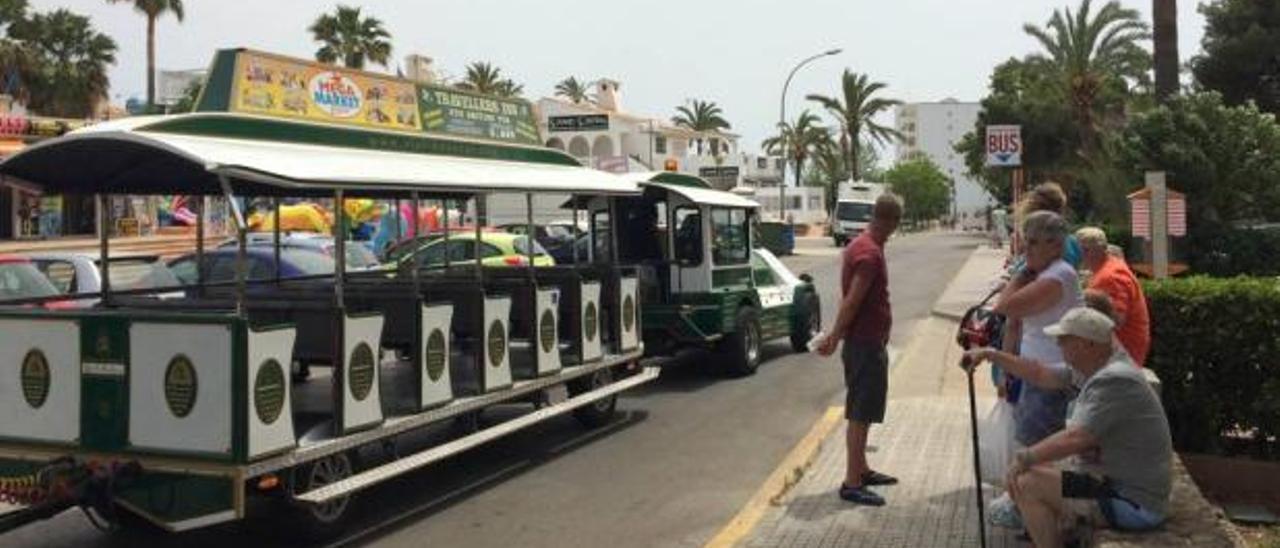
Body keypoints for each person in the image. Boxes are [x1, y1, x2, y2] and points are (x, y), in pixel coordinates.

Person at [986, 307, 1172, 547]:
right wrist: (992, 355)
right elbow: (1039, 373)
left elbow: (1077, 437)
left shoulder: (1114, 379)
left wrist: (1024, 458)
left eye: (1064, 339)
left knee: (1027, 483)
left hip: (1133, 504)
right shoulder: (1096, 368)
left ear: (1086, 344)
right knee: (1034, 473)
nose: (1057, 343)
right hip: (1117, 489)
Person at [988, 210, 1084, 527]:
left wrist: (1019, 273)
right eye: (1024, 243)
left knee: (1035, 448)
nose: (1025, 250)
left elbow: (1005, 307)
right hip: (1037, 373)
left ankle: (1039, 518)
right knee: (1031, 445)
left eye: (1032, 244)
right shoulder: (1050, 272)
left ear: (1055, 245)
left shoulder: (1058, 276)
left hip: (1050, 378)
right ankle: (1034, 515)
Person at [816, 193, 903, 506]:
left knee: (863, 411)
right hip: (864, 345)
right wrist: (835, 336)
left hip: (866, 343)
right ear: (891, 221)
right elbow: (852, 300)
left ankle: (862, 470)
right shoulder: (869, 253)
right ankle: (852, 482)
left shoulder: (861, 245)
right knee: (860, 413)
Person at [1076, 227, 1151, 367]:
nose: (1080, 256)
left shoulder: (1110, 276)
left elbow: (1114, 322)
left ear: (1102, 249)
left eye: (1084, 251)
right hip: (1120, 355)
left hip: (1120, 357)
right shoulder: (1108, 269)